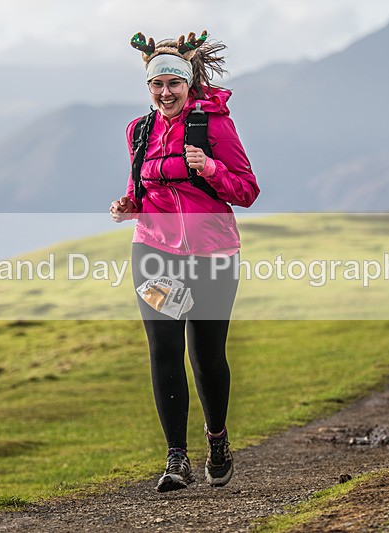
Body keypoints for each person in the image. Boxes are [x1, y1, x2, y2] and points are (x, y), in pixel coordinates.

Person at [110, 30, 259, 492]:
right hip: (154, 255)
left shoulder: (213, 126)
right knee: (164, 348)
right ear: (148, 86)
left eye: (174, 83)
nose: (165, 92)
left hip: (212, 256)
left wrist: (210, 168)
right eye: (157, 84)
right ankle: (177, 457)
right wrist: (128, 205)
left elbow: (247, 191)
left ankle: (217, 439)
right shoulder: (140, 130)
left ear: (188, 83)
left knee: (206, 355)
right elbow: (139, 188)